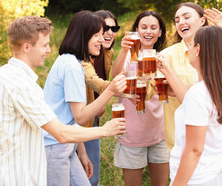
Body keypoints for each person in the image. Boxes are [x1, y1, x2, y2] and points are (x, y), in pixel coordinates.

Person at [0, 16, 126, 186]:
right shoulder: (23, 85)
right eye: (44, 45)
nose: (49, 50)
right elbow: (61, 133)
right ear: (26, 47)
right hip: (17, 178)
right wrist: (105, 130)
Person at [43, 11, 127, 186]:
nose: (101, 39)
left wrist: (81, 151)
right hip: (54, 146)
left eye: (101, 34)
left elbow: (72, 118)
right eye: (96, 35)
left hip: (66, 142)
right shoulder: (72, 66)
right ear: (82, 36)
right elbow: (80, 116)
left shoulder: (70, 61)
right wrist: (110, 91)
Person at [159, 2, 222, 151]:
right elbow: (152, 88)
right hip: (184, 138)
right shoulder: (166, 56)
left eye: (186, 17)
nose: (181, 22)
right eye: (177, 20)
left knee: (218, 173)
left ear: (202, 21)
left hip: (220, 136)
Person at [159, 26, 222, 185]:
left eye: (190, 45)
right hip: (216, 176)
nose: (188, 49)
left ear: (197, 49)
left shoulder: (198, 93)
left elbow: (194, 150)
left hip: (195, 179)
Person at [111, 11, 169, 186]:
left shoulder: (164, 57)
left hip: (161, 133)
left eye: (153, 27)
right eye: (143, 27)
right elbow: (114, 77)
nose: (148, 31)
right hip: (132, 134)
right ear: (137, 30)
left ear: (160, 32)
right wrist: (124, 49)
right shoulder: (130, 56)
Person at [81, 10, 121, 186]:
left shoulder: (108, 53)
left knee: (92, 175)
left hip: (92, 118)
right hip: (75, 119)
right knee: (79, 174)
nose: (110, 32)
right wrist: (121, 90)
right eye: (105, 28)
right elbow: (95, 82)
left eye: (114, 28)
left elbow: (103, 82)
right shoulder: (81, 57)